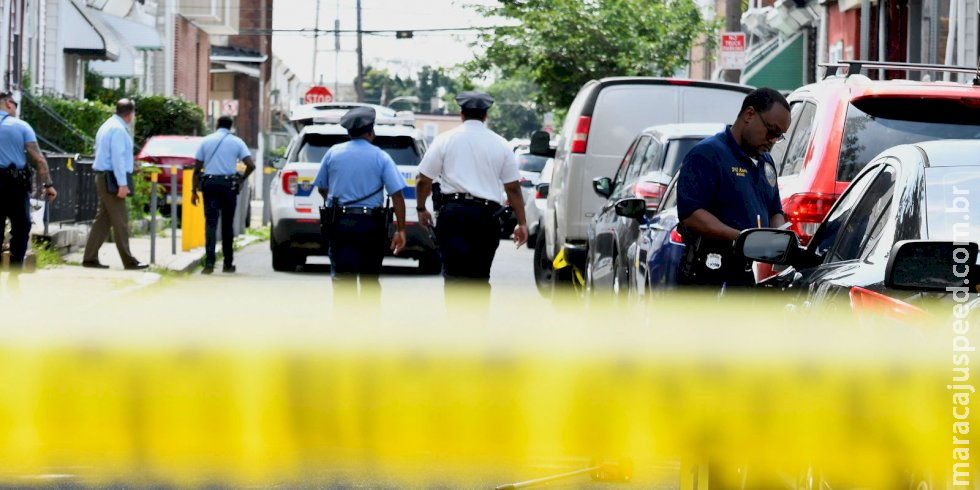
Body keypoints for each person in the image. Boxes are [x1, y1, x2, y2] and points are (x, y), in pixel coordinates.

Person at [414, 91, 528, 299]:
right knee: (479, 277)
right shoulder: (501, 144)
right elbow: (512, 188)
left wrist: (421, 208)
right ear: (485, 116)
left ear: (461, 114)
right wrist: (521, 222)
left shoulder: (444, 140)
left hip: (453, 215)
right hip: (487, 217)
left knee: (454, 275)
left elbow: (423, 180)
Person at [675, 87, 790, 290]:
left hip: (743, 274)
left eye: (779, 136)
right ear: (749, 114)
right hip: (706, 274)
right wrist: (742, 238)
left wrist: (776, 238)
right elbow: (691, 214)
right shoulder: (707, 154)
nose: (773, 141)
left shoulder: (765, 161)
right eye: (771, 131)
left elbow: (774, 209)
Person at [312, 106, 407, 304]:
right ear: (371, 132)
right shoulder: (381, 157)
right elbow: (397, 195)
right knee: (370, 279)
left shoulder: (333, 153)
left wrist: (335, 199)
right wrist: (401, 230)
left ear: (348, 133)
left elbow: (322, 187)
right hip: (371, 224)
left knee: (343, 278)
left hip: (340, 222)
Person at [82, 99, 148, 270]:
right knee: (121, 221)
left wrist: (129, 166)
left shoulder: (107, 125)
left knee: (103, 220)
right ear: (130, 114)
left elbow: (109, 154)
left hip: (104, 177)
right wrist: (122, 184)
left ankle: (89, 258)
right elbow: (117, 159)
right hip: (112, 179)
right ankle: (129, 261)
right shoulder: (119, 130)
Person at [190, 116, 255, 274]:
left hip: (210, 185)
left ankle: (209, 264)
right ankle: (227, 263)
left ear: (217, 125)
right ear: (231, 126)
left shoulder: (205, 141)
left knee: (211, 224)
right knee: (227, 225)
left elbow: (197, 169)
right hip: (228, 186)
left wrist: (194, 191)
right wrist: (241, 179)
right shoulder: (237, 142)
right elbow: (251, 165)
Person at [0, 90, 57, 270]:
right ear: (9, 104)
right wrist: (49, 185)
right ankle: (15, 274)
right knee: (21, 227)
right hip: (15, 186)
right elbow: (39, 159)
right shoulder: (21, 126)